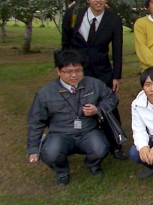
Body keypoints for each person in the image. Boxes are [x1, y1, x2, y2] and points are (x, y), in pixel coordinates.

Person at [26, 50, 118, 186]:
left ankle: (93, 165)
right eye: (68, 71)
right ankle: (62, 173)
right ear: (58, 71)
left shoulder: (94, 84)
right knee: (50, 153)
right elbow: (36, 121)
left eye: (78, 70)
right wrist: (33, 148)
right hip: (60, 133)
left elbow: (111, 98)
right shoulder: (45, 93)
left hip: (88, 131)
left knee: (101, 148)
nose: (74, 75)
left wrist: (98, 109)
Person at [61, 0, 126, 160]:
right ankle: (77, 140)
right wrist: (63, 68)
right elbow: (64, 44)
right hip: (77, 69)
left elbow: (117, 50)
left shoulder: (113, 20)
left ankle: (116, 143)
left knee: (108, 105)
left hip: (102, 69)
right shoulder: (73, 15)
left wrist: (116, 76)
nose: (98, 0)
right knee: (76, 103)